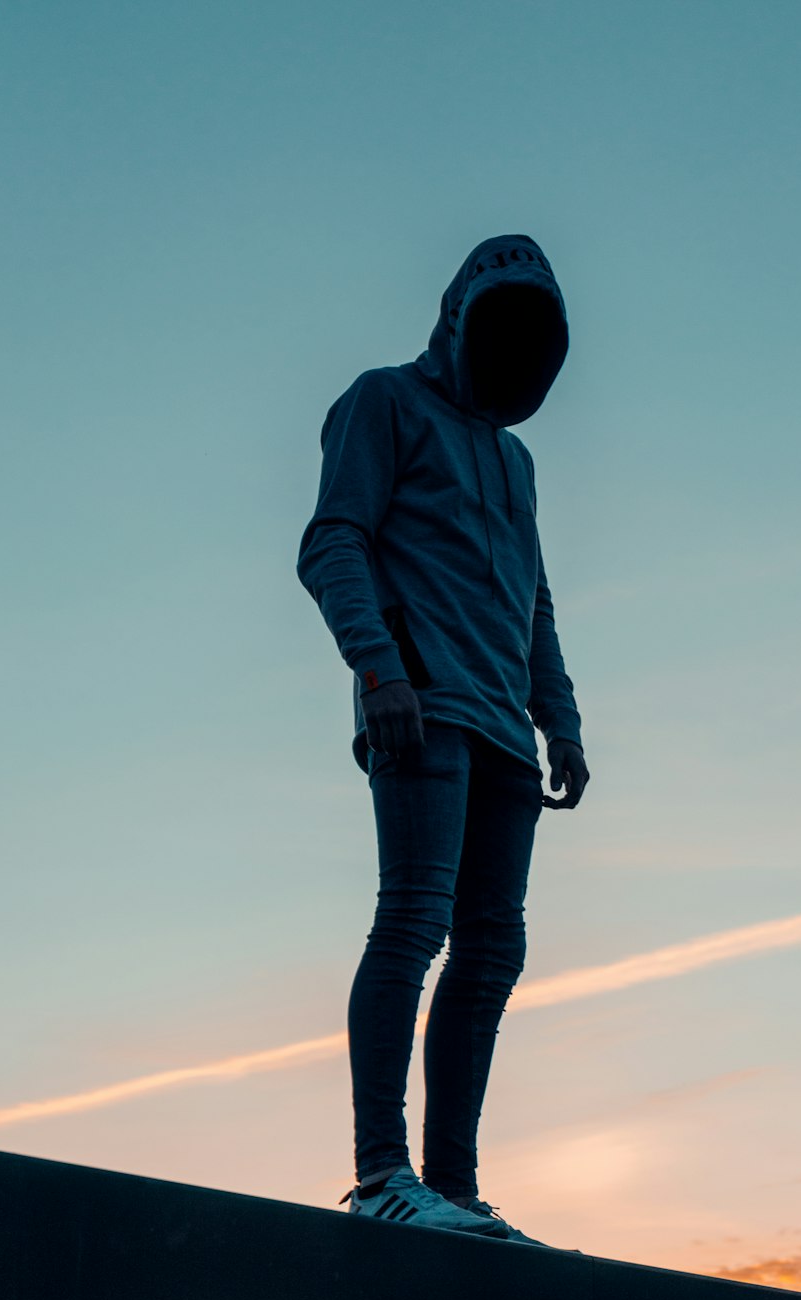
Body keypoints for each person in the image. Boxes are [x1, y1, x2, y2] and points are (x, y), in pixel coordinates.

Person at [296, 233, 589, 1246]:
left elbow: (535, 600)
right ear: (457, 319)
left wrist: (562, 715)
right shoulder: (383, 401)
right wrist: (376, 668)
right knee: (413, 921)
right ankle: (383, 1173)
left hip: (508, 728)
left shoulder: (516, 458)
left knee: (493, 952)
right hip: (422, 705)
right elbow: (333, 538)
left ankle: (454, 1192)